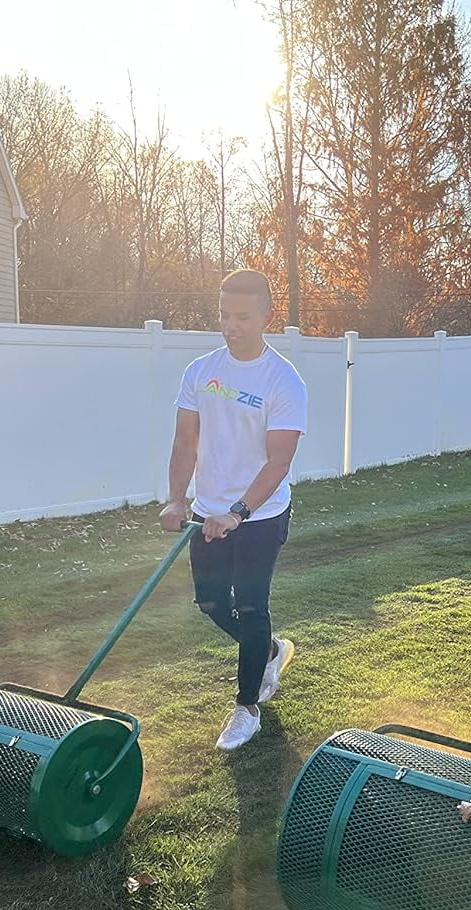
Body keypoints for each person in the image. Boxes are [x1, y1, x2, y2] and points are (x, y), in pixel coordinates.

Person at [159, 269, 308, 750]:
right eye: (224, 315)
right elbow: (186, 441)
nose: (230, 326)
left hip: (260, 517)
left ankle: (247, 708)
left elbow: (278, 461)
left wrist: (238, 513)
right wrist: (177, 498)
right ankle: (269, 650)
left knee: (249, 604)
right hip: (207, 511)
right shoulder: (200, 372)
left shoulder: (283, 380)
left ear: (267, 315)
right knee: (210, 603)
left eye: (242, 317)